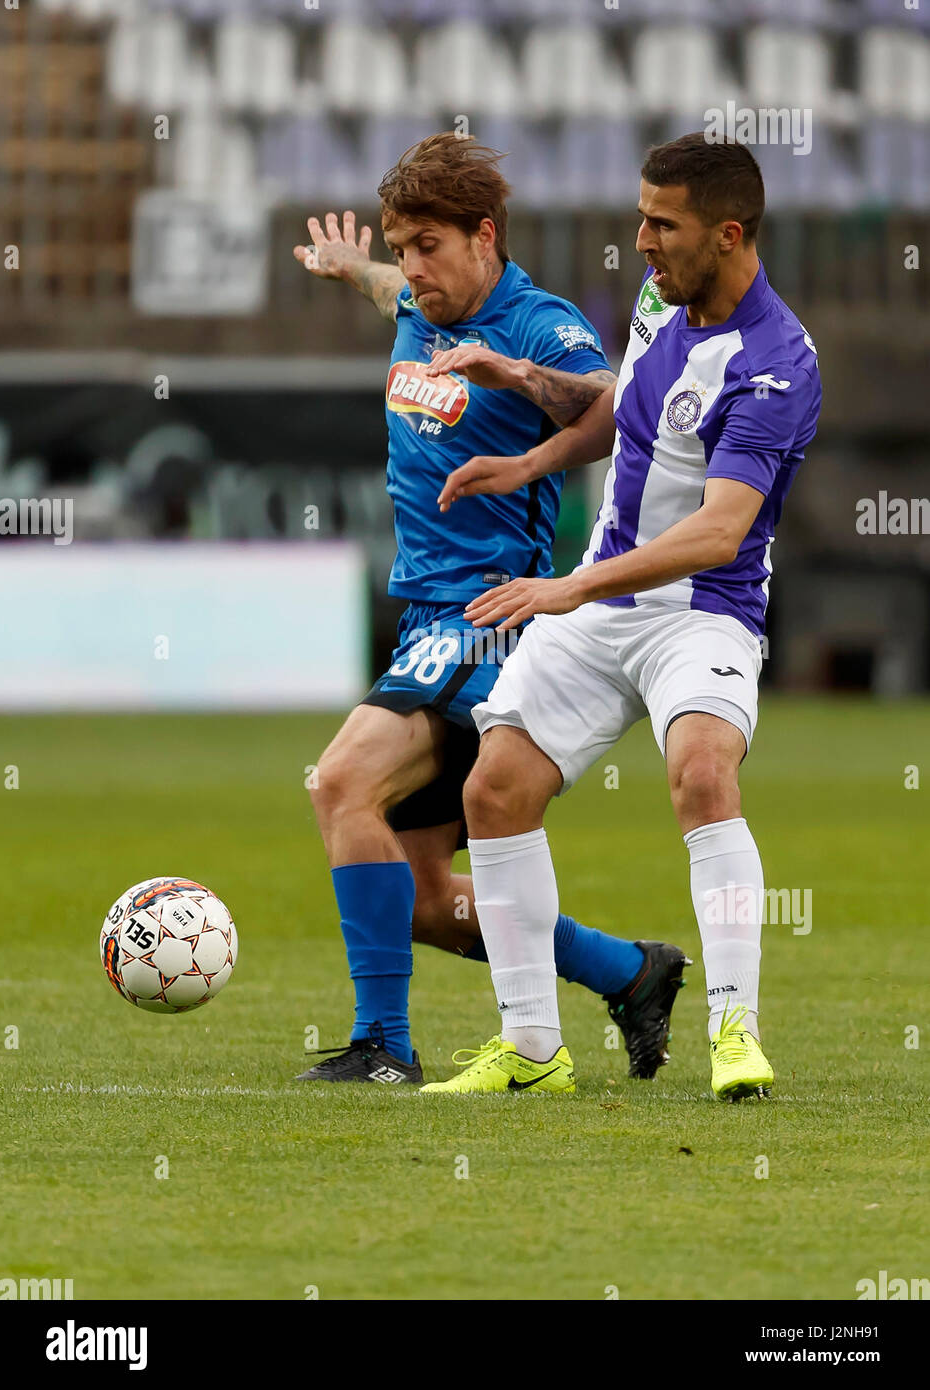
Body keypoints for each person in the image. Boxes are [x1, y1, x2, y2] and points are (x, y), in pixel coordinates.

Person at [423, 134, 821, 1100]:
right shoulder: (660, 299)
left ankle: (735, 1030)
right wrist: (530, 459)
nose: (639, 241)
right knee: (495, 792)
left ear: (728, 235)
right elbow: (627, 404)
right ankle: (531, 1046)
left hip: (702, 613)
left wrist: (565, 588)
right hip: (606, 595)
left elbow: (720, 533)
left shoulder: (776, 363)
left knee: (699, 774)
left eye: (662, 224)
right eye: (641, 216)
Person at [291, 133, 689, 1085]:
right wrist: (360, 272)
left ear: (485, 235)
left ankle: (383, 1047)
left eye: (427, 244)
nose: (412, 266)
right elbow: (396, 300)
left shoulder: (536, 323)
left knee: (340, 783)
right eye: (399, 243)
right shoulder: (417, 306)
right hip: (423, 615)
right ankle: (631, 973)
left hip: (487, 615)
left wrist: (515, 379)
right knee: (426, 901)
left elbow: (613, 403)